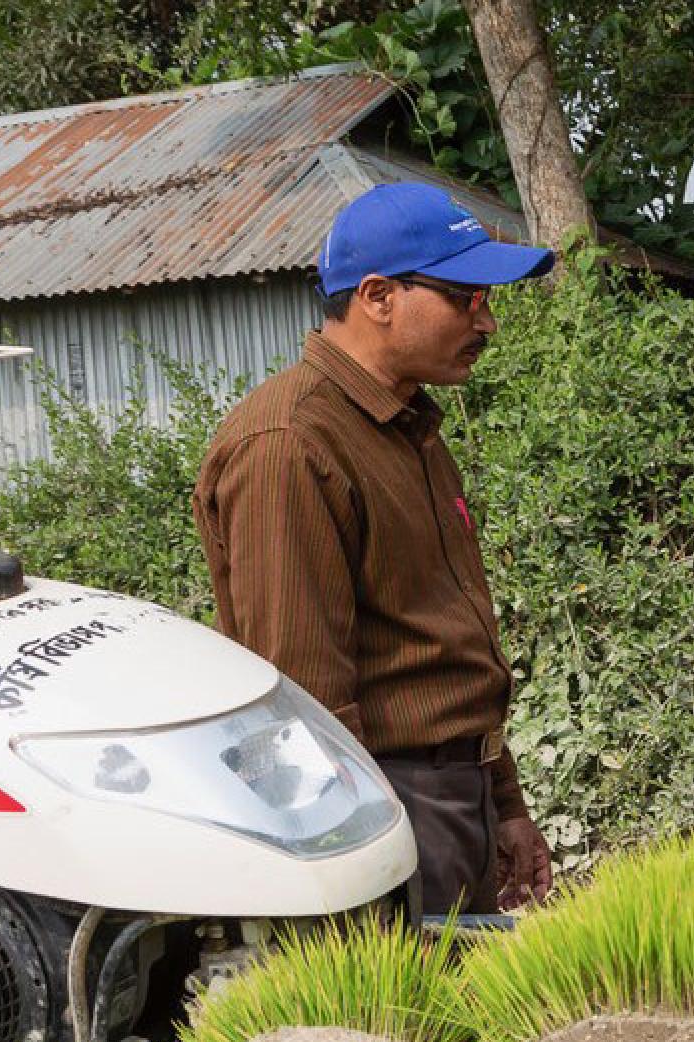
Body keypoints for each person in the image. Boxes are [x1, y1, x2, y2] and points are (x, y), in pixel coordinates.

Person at [194, 183, 555, 917]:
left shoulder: (407, 426)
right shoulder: (290, 444)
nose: (487, 322)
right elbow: (302, 692)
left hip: (453, 796)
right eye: (466, 297)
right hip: (388, 809)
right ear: (378, 295)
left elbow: (440, 650)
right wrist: (355, 866)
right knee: (398, 1028)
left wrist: (502, 801)